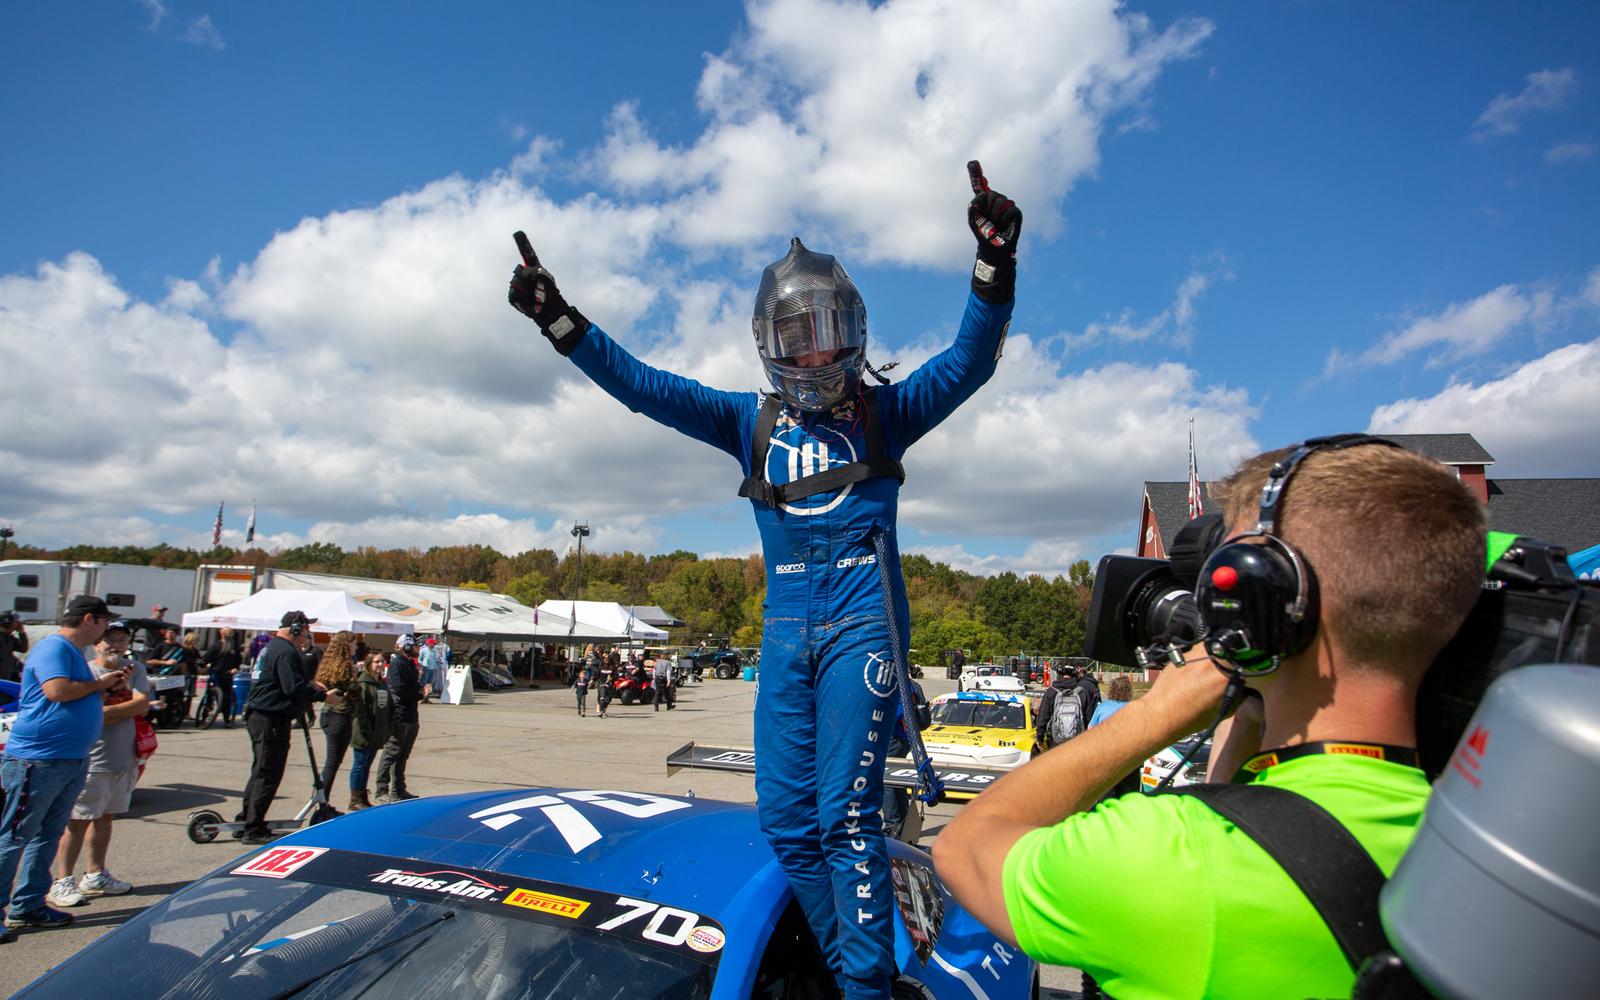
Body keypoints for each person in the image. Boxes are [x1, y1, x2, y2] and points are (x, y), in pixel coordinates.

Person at [509, 172, 1021, 1000]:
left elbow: (968, 361)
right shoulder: (747, 425)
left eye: (828, 332)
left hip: (864, 628)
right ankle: (850, 969)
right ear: (770, 344)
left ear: (853, 335)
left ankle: (865, 988)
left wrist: (993, 265)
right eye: (798, 334)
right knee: (787, 823)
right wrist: (560, 322)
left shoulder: (889, 412)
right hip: (784, 634)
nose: (815, 352)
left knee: (845, 821)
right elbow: (646, 388)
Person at [933, 440, 1487, 1000]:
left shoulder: (1178, 856)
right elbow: (1263, 820)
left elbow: (965, 848)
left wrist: (1159, 711)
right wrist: (1242, 727)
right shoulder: (1503, 829)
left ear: (1259, 595)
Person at [0, 595, 123, 934]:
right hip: (38, 759)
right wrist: (99, 684)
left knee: (47, 835)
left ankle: (29, 905)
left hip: (67, 758)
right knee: (15, 836)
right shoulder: (55, 648)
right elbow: (56, 691)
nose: (105, 629)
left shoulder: (73, 653)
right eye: (103, 621)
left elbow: (71, 695)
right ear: (88, 620)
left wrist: (104, 690)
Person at [48, 619, 148, 908]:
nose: (116, 645)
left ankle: (95, 873)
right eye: (110, 639)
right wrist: (119, 710)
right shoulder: (88, 672)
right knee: (77, 821)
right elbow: (88, 714)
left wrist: (109, 711)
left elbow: (142, 705)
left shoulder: (135, 669)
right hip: (92, 758)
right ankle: (62, 880)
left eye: (121, 640)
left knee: (106, 817)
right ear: (96, 643)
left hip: (123, 756)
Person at [237, 612, 327, 844]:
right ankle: (252, 827)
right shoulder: (286, 651)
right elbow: (291, 686)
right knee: (268, 772)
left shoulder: (273, 647)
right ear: (295, 628)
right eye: (306, 628)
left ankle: (245, 819)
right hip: (270, 718)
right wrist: (321, 695)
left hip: (263, 715)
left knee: (260, 770)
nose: (308, 634)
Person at [374, 635, 424, 803]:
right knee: (392, 753)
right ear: (406, 647)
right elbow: (399, 690)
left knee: (403, 755)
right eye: (415, 645)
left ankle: (399, 789)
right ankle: (381, 789)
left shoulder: (410, 664)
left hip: (411, 714)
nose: (418, 649)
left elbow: (413, 686)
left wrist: (419, 692)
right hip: (400, 716)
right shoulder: (397, 664)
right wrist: (419, 694)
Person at [880, 677, 930, 841]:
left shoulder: (900, 683)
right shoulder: (904, 682)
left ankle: (893, 825)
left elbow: (901, 711)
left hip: (896, 738)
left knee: (886, 780)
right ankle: (901, 822)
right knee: (895, 780)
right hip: (899, 737)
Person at [314, 632, 360, 802]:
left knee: (332, 763)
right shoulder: (345, 666)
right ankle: (322, 801)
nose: (356, 647)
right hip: (339, 716)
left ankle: (322, 799)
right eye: (354, 644)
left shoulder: (329, 663)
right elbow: (353, 690)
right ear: (347, 645)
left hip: (329, 714)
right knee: (332, 763)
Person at [347, 652, 394, 810]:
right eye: (376, 662)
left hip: (377, 732)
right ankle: (355, 798)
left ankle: (362, 796)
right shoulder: (363, 683)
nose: (380, 665)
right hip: (364, 732)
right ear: (369, 663)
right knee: (359, 765)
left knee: (366, 765)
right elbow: (361, 711)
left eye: (382, 661)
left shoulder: (381, 683)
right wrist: (366, 730)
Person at [1033, 668, 1088, 751]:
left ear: (1059, 674)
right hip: (1077, 739)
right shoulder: (1082, 692)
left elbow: (1042, 717)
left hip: (1055, 739)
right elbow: (1089, 717)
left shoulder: (1051, 691)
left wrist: (1040, 738)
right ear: (1075, 674)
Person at [201, 626, 242, 726]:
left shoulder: (234, 647)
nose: (229, 634)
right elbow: (206, 658)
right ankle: (204, 716)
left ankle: (227, 720)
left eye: (231, 632)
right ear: (222, 633)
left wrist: (235, 668)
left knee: (226, 698)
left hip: (228, 675)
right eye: (227, 632)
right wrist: (203, 664)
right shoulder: (215, 646)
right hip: (216, 673)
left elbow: (238, 660)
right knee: (209, 695)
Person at [0, 611, 28, 684]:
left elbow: (23, 649)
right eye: (16, 621)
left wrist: (22, 633)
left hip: (5, 678)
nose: (19, 623)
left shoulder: (9, 638)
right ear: (7, 622)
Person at [573, 645, 596, 718]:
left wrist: (589, 683)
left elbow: (585, 659)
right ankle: (579, 709)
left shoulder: (586, 653)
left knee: (583, 702)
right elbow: (593, 659)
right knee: (579, 702)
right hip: (590, 667)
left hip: (583, 692)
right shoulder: (591, 653)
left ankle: (583, 712)